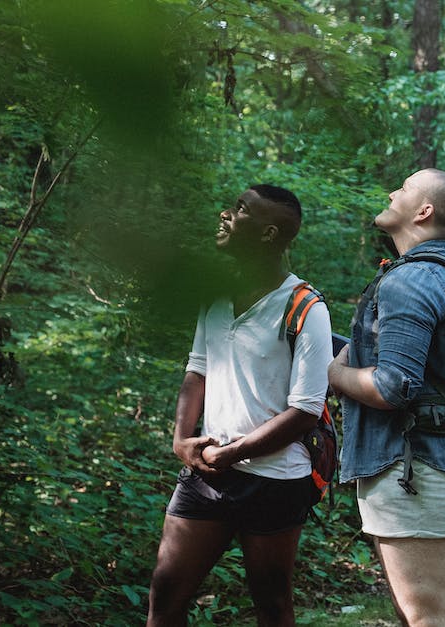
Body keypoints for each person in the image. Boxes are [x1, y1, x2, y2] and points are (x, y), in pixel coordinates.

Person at [147, 184, 331, 627]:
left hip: (273, 481)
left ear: (269, 234)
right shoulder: (215, 294)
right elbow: (198, 371)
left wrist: (232, 453)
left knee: (271, 605)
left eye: (241, 210)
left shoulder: (305, 307)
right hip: (205, 475)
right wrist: (181, 441)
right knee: (166, 597)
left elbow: (306, 410)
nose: (226, 214)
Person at [328, 168, 445, 627]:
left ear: (424, 210)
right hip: (428, 463)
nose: (393, 191)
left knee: (428, 614)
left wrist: (334, 373)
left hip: (414, 468)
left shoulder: (411, 281)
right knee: (422, 612)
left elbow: (394, 386)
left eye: (405, 189)